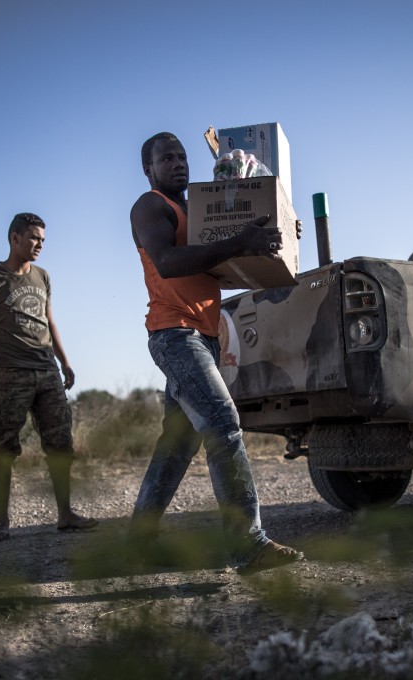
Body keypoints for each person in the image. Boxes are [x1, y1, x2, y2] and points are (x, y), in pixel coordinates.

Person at [128, 132, 304, 574]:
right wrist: (240, 242)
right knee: (223, 424)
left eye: (182, 156)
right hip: (174, 333)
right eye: (166, 158)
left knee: (177, 445)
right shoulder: (151, 206)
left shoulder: (199, 213)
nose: (178, 163)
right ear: (149, 170)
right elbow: (169, 262)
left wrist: (275, 237)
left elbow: (222, 268)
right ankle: (249, 545)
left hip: (203, 335)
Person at [0, 212, 97, 542]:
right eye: (33, 238)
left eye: (43, 240)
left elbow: (50, 322)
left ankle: (65, 514)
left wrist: (65, 362)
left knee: (60, 443)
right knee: (2, 447)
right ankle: (2, 523)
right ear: (14, 237)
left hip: (47, 372)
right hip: (8, 373)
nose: (39, 245)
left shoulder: (43, 276)